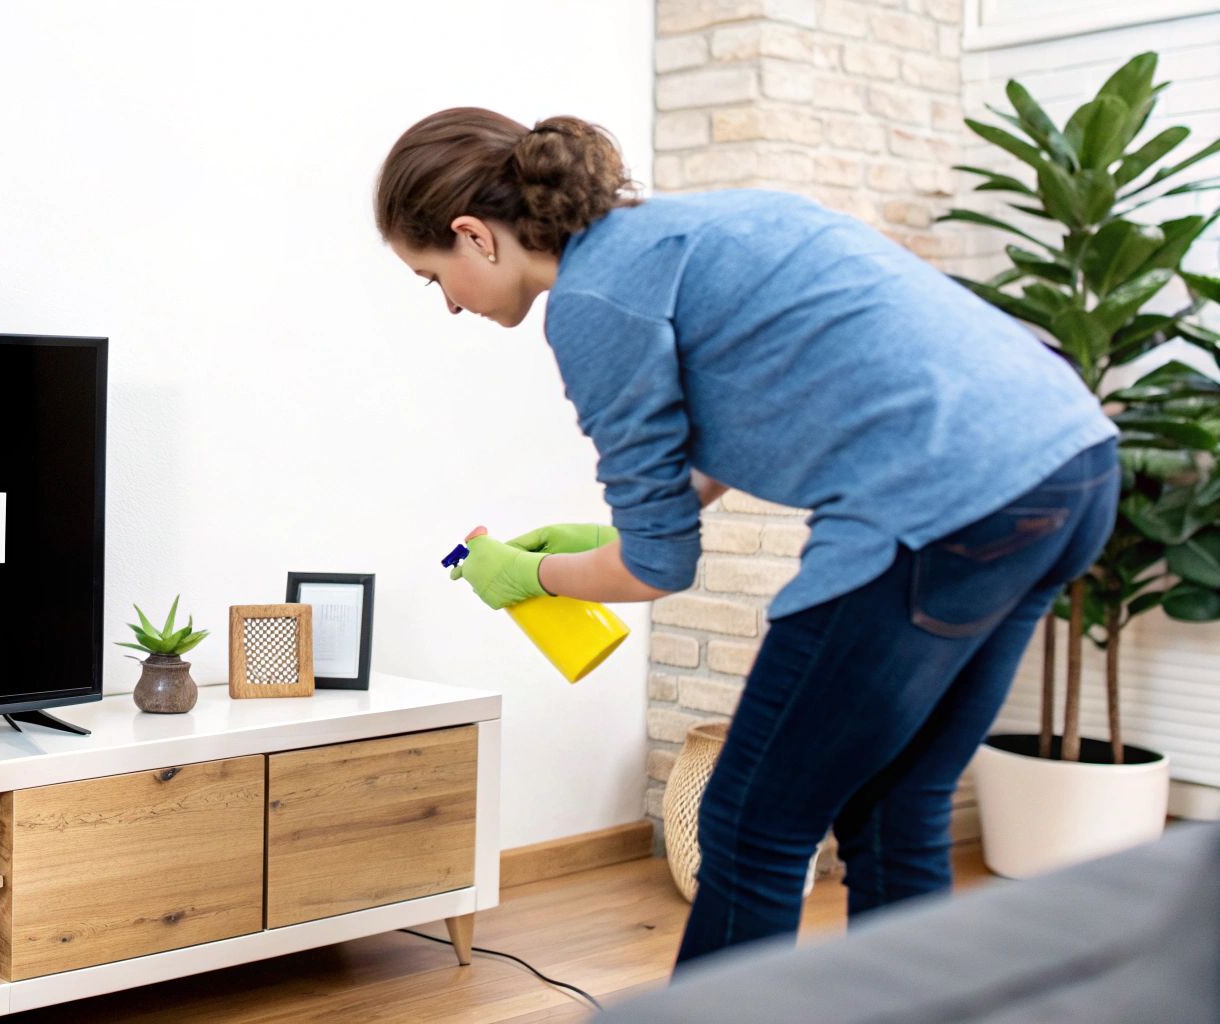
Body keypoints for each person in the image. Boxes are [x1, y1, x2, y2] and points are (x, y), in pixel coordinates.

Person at [374, 107, 1119, 968]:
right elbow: (766, 404)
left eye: (434, 277)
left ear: (474, 235)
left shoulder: (590, 300)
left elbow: (659, 566)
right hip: (1071, 468)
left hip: (939, 506)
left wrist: (527, 579)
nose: (450, 306)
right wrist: (614, 530)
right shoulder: (695, 227)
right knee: (898, 803)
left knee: (751, 820)